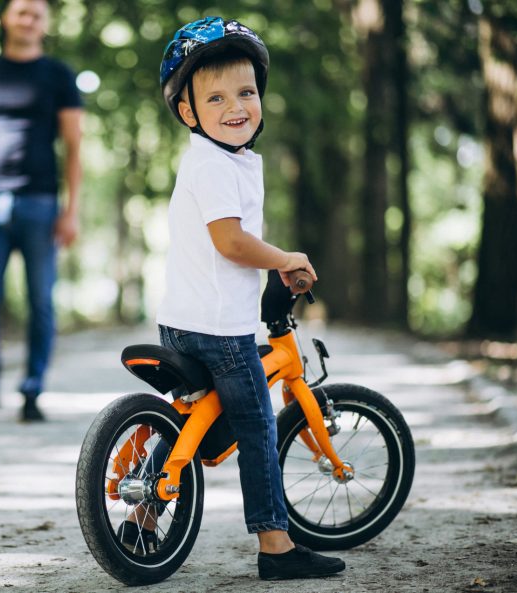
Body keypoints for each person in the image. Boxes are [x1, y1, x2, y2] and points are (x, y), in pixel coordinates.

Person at [150, 16, 346, 580]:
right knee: (259, 425)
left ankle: (144, 515)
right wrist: (285, 258)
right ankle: (276, 546)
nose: (236, 105)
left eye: (246, 92)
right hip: (216, 330)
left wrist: (271, 276)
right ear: (188, 112)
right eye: (215, 97)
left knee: (203, 423)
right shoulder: (212, 164)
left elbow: (222, 254)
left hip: (187, 319)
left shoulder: (221, 160)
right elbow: (230, 242)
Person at [0, 0, 82, 422]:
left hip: (41, 203)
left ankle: (31, 390)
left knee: (41, 301)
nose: (28, 19)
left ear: (45, 24)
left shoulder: (58, 76)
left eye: (37, 14)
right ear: (6, 18)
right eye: (21, 11)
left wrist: (71, 209)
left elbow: (74, 145)